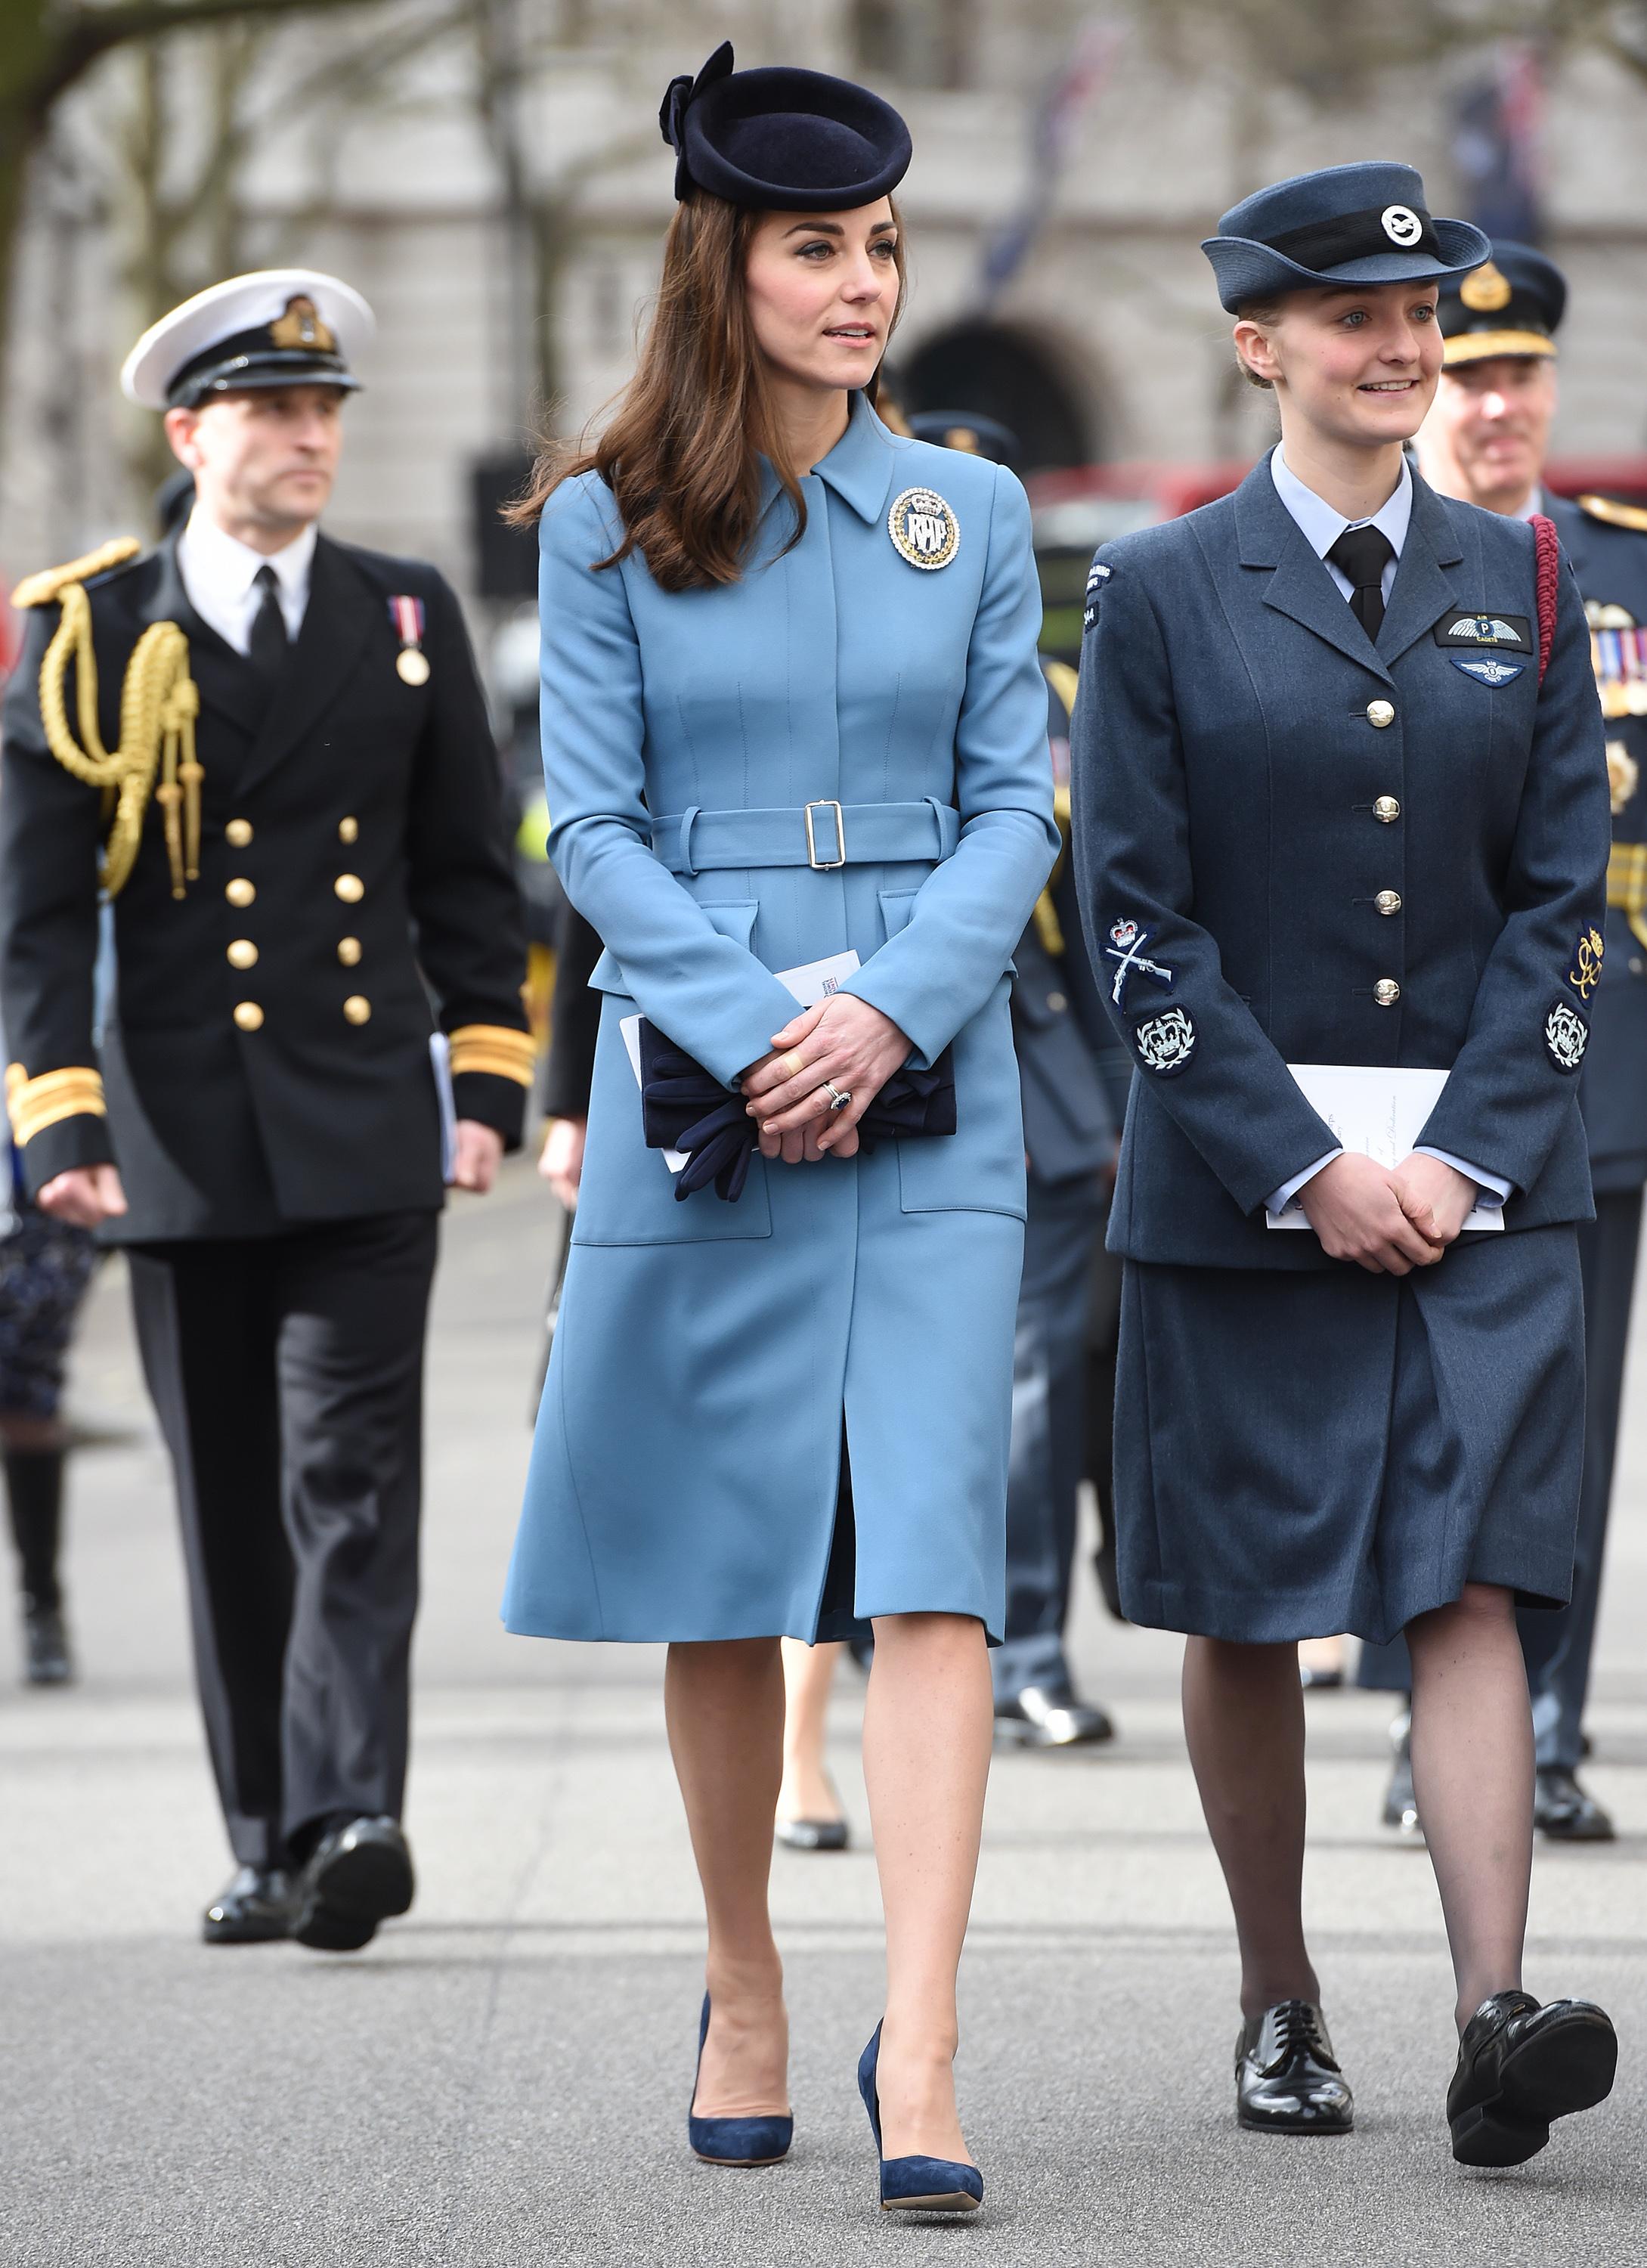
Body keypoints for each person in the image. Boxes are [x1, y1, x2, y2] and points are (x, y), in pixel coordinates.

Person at [500, 44, 1057, 2214]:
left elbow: (1018, 800)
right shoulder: (601, 519)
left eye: (882, 245)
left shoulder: (973, 513)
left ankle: (917, 2046)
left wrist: (895, 1008)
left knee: (932, 1567)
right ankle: (743, 1978)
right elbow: (593, 831)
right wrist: (757, 1030)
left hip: (933, 1088)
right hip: (696, 1082)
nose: (861, 283)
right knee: (724, 1568)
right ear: (718, 268)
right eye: (817, 247)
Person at [1072, 161, 1618, 2165]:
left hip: (1480, 1180)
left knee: (1474, 1576)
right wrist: (1301, 1163)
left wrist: (1463, 1155)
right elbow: (1127, 915)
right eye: (1357, 324)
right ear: (1258, 347)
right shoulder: (1154, 589)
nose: (1402, 352)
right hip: (1242, 1180)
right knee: (1244, 1598)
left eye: (1423, 323)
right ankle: (1275, 2000)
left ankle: (1493, 2014)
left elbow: (1559, 904)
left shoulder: (1530, 576)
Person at [0, 269, 533, 1947]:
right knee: (231, 1493)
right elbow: (32, 906)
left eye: (326, 414)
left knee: (352, 1481)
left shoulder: (400, 611)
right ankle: (265, 1830)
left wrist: (488, 1079)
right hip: (173, 1137)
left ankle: (353, 1810)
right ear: (191, 433)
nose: (312, 439)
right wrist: (58, 1119)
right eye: (276, 412)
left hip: (366, 1117)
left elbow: (464, 870)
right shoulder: (86, 630)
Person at [1358, 242, 1647, 1844]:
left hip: (1604, 1051)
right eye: (1464, 376)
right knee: (1430, 1404)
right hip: (1418, 1054)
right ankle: (1431, 1723)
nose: (1493, 404)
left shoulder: (1625, 574)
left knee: (1573, 1407)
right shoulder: (1395, 569)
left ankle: (1541, 1724)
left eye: (1516, 373)